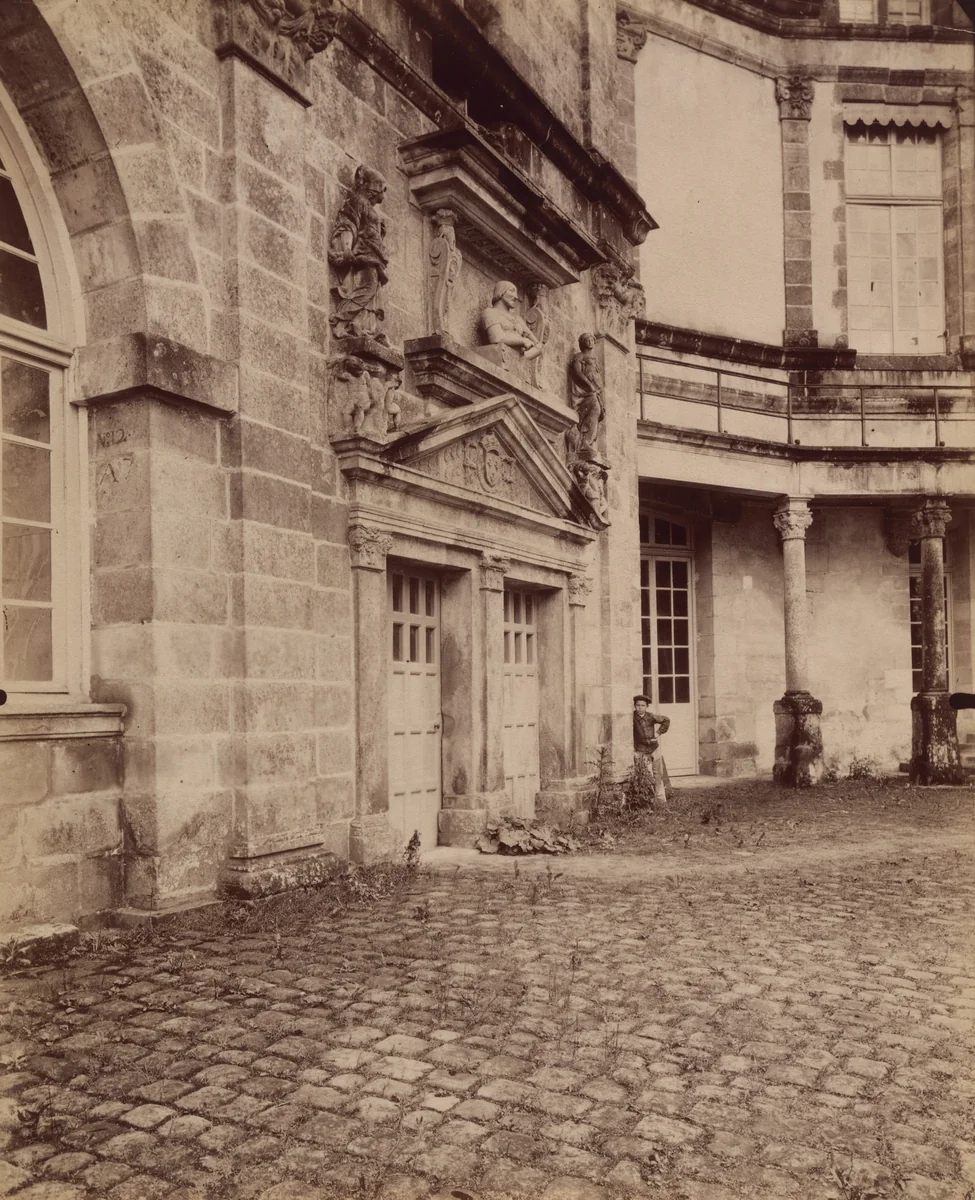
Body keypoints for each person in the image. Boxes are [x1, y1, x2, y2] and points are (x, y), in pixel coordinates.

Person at [480, 281, 543, 360]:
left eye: (516, 293)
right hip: (499, 355)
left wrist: (533, 349)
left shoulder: (517, 319)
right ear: (501, 292)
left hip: (516, 357)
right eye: (511, 291)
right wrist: (522, 341)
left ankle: (520, 361)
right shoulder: (490, 312)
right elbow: (496, 338)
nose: (516, 297)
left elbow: (537, 344)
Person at [633, 693, 670, 805]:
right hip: (641, 750)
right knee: (645, 775)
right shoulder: (632, 718)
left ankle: (661, 801)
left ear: (646, 706)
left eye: (643, 705)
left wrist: (658, 733)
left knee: (658, 774)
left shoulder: (651, 716)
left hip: (654, 748)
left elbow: (666, 720)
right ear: (635, 706)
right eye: (638, 705)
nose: (640, 708)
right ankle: (648, 801)